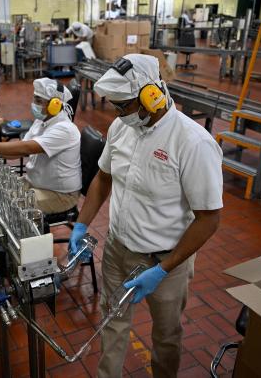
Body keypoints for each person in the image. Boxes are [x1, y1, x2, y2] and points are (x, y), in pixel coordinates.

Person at [69, 54, 223, 378]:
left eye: (122, 105)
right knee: (112, 321)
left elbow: (209, 219)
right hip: (117, 249)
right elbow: (103, 178)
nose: (116, 113)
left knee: (166, 336)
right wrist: (81, 223)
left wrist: (163, 270)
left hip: (165, 262)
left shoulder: (193, 143)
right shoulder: (121, 128)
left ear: (150, 96)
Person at [0, 78, 81, 214]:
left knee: (2, 206)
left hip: (59, 195)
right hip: (35, 183)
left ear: (55, 105)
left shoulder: (65, 129)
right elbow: (21, 151)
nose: (34, 104)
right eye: (34, 99)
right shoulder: (42, 120)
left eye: (39, 101)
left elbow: (28, 148)